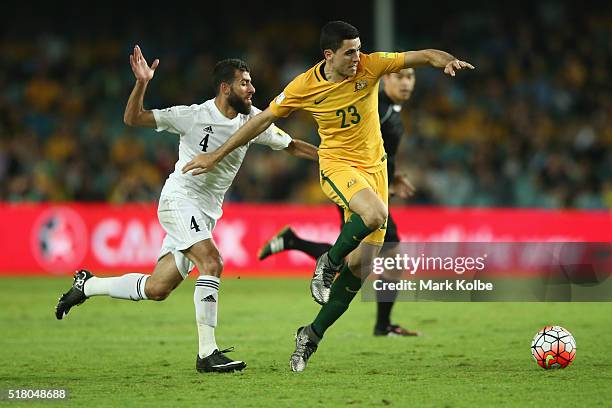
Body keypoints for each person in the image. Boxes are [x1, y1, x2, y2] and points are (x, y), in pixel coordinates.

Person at [181, 21, 474, 372]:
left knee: (361, 266)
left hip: (375, 169)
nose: (357, 57)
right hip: (337, 165)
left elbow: (424, 55)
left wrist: (446, 60)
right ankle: (327, 264)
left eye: (359, 48)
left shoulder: (372, 64)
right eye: (350, 51)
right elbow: (261, 122)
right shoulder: (305, 85)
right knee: (376, 215)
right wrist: (216, 154)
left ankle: (311, 335)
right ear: (329, 55)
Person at [55, 45, 318, 373]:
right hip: (178, 201)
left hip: (206, 213)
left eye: (251, 83)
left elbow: (292, 146)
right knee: (212, 262)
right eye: (245, 83)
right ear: (226, 88)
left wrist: (334, 160)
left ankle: (87, 285)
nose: (252, 89)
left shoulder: (254, 122)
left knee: (157, 288)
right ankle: (208, 354)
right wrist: (142, 83)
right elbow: (132, 118)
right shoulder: (193, 116)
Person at [257, 68, 419, 337]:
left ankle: (293, 241)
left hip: (372, 188)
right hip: (357, 187)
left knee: (357, 258)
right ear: (386, 78)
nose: (405, 82)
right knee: (386, 257)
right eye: (399, 76)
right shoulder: (378, 108)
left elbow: (380, 151)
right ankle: (382, 326)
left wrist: (394, 176)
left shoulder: (392, 111)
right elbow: (354, 141)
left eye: (410, 77)